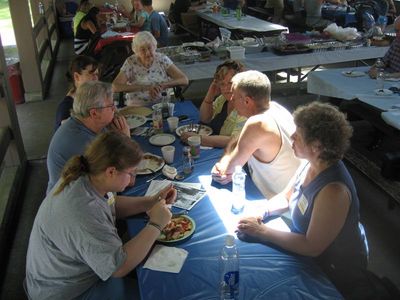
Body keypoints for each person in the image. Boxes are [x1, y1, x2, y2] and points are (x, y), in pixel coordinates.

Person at [237, 102, 368, 298]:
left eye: (297, 135)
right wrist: (262, 212)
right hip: (307, 252)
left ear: (316, 146)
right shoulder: (311, 163)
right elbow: (285, 197)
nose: (291, 137)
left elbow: (311, 246)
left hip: (332, 271)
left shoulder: (334, 190)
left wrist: (262, 231)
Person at [26, 131, 177, 300]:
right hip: (67, 291)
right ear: (111, 171)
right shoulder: (81, 210)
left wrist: (151, 202)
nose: (132, 180)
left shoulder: (88, 175)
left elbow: (111, 204)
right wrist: (156, 224)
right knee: (158, 293)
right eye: (131, 173)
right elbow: (118, 267)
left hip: (75, 273)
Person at [211, 70, 301, 199]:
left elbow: (227, 172)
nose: (231, 100)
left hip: (279, 205)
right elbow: (237, 139)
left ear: (247, 101)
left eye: (234, 96)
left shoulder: (257, 124)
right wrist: (226, 159)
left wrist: (224, 163)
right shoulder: (275, 108)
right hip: (293, 195)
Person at [47, 81, 130, 194]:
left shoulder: (92, 125)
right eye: (111, 105)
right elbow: (125, 180)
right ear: (94, 113)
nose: (115, 109)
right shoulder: (81, 140)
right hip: (72, 202)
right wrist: (126, 140)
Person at [181, 60, 247, 148]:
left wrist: (198, 139)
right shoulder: (223, 99)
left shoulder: (246, 106)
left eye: (231, 83)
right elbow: (205, 119)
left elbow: (234, 141)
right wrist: (210, 94)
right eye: (222, 84)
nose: (227, 88)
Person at [112, 31, 188, 107]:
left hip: (162, 104)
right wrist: (145, 88)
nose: (147, 53)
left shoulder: (162, 59)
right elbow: (115, 86)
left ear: (154, 46)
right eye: (142, 50)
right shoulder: (131, 62)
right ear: (136, 51)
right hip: (137, 106)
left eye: (149, 48)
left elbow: (184, 80)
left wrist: (162, 86)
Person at [55, 55, 99, 131]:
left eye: (97, 74)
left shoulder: (87, 96)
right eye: (91, 74)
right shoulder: (66, 108)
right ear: (77, 77)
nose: (96, 79)